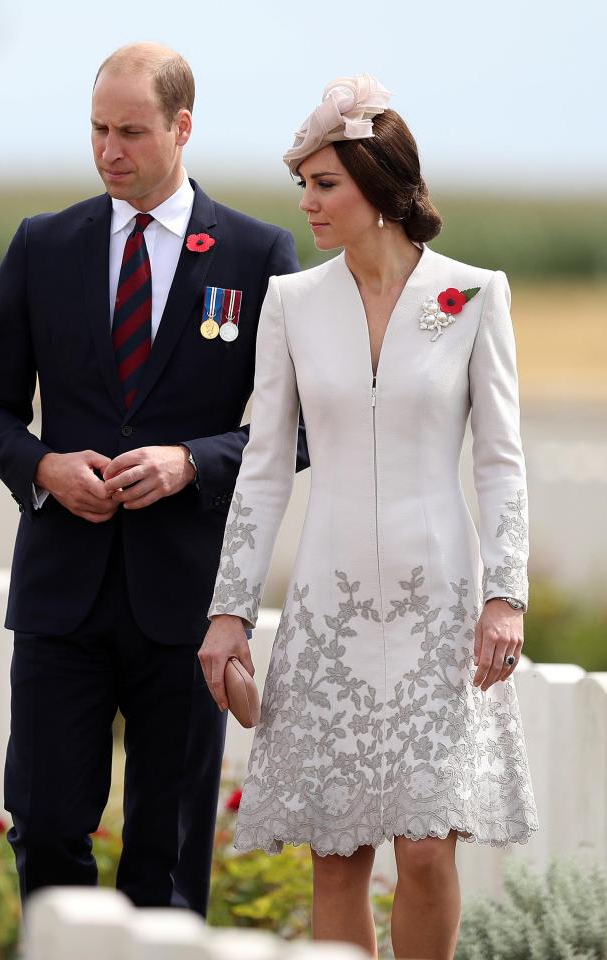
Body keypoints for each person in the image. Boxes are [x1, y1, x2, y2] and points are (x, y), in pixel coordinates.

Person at [0, 42, 308, 915]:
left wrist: (192, 461)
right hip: (58, 597)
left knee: (171, 848)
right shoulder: (43, 246)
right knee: (42, 821)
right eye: (98, 130)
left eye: (132, 132)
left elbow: (293, 431)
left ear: (182, 128)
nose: (110, 151)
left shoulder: (258, 254)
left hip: (187, 604)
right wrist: (42, 465)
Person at [199, 75, 538, 959]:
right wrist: (229, 609)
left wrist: (507, 596)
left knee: (427, 850)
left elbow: (501, 461)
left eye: (325, 184)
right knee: (338, 857)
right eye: (303, 184)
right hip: (330, 608)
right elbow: (265, 465)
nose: (307, 202)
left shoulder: (474, 296)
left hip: (443, 608)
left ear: (380, 189)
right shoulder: (291, 304)